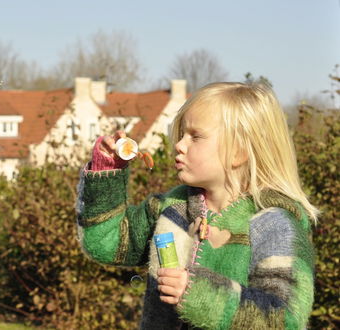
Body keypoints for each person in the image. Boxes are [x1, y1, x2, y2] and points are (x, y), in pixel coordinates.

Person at [75, 82, 317, 329]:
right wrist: (106, 172)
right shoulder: (173, 209)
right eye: (181, 134)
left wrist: (198, 294)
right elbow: (103, 242)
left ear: (239, 152)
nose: (179, 144)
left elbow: (286, 319)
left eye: (195, 136)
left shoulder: (275, 226)